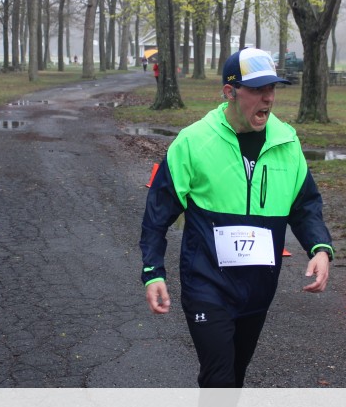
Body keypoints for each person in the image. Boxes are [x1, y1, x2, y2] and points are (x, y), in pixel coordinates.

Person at [140, 48, 333, 388]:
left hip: (258, 289)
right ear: (230, 92)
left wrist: (319, 248)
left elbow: (305, 205)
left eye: (272, 88)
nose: (268, 98)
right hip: (207, 285)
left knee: (235, 377)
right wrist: (153, 272)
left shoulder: (286, 142)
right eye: (258, 89)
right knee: (219, 379)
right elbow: (157, 214)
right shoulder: (193, 142)